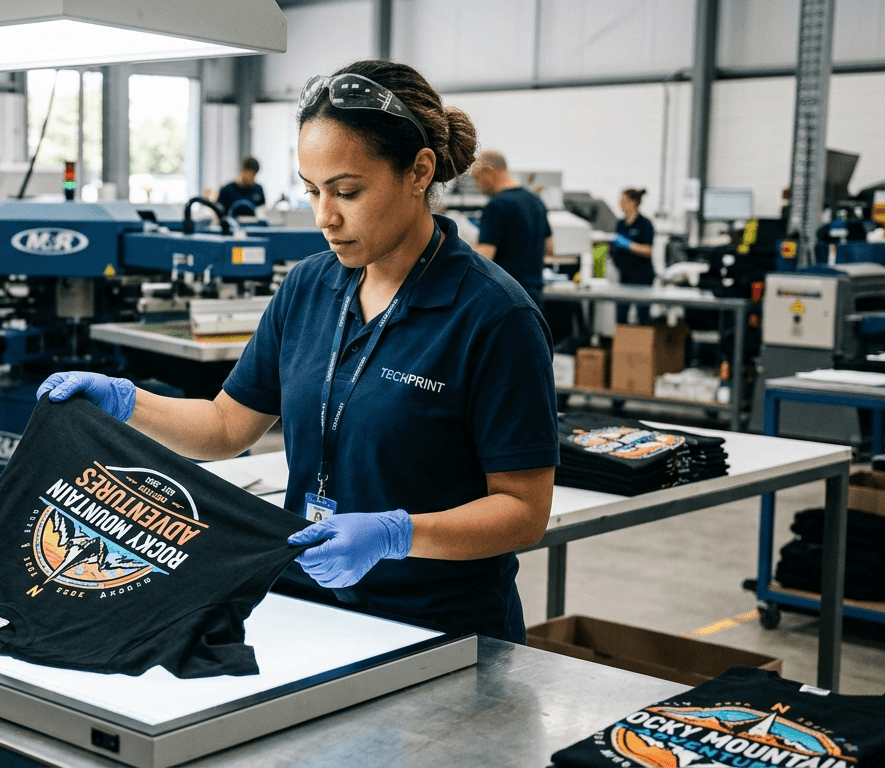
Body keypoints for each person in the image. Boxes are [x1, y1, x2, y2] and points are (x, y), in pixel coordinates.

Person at [37, 60, 558, 643]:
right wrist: (127, 403)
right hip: (306, 609)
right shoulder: (310, 287)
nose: (324, 217)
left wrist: (396, 534)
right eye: (312, 191)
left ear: (419, 171)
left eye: (347, 191)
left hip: (439, 628)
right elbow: (226, 425)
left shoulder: (493, 316)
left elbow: (523, 510)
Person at [470, 150, 553, 308]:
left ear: (488, 172)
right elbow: (550, 248)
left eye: (476, 177)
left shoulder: (496, 206)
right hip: (534, 297)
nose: (477, 185)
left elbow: (483, 258)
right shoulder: (535, 201)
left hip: (505, 299)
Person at [611, 187, 656, 323]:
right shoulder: (620, 224)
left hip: (642, 277)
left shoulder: (645, 224)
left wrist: (629, 245)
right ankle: (623, 344)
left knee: (642, 315)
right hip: (625, 275)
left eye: (623, 202)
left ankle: (643, 343)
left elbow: (648, 250)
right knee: (621, 315)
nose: (621, 205)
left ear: (633, 203)